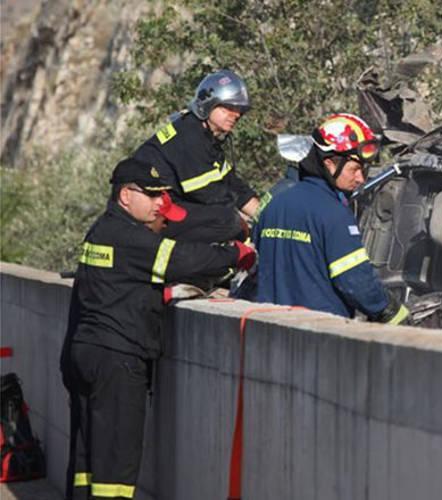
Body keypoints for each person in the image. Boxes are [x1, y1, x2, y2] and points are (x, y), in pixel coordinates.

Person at [60, 157, 256, 500]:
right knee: (116, 469)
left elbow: (117, 285)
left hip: (87, 351)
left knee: (87, 461)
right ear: (125, 195)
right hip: (118, 358)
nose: (159, 204)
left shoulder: (101, 230)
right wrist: (234, 253)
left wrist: (158, 294)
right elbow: (183, 259)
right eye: (151, 196)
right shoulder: (129, 237)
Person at [253, 113, 407, 324]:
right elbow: (356, 282)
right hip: (318, 335)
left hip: (267, 330)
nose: (361, 178)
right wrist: (391, 311)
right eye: (355, 169)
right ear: (330, 164)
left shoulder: (274, 203)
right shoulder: (334, 214)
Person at [131, 69, 260, 244]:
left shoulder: (206, 137)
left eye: (239, 110)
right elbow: (210, 195)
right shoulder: (189, 136)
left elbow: (232, 184)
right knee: (228, 222)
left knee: (232, 220)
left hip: (167, 209)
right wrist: (245, 227)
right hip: (151, 217)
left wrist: (266, 216)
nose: (236, 114)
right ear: (208, 104)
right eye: (229, 107)